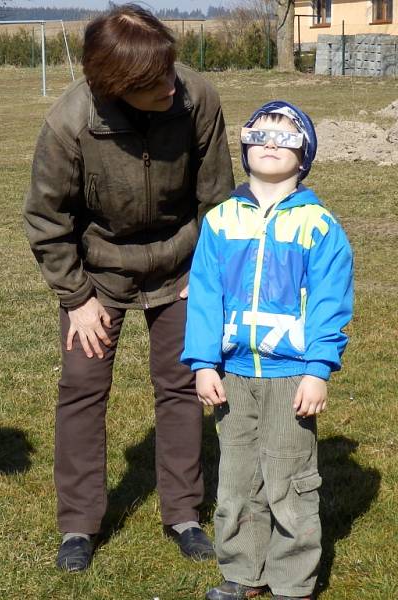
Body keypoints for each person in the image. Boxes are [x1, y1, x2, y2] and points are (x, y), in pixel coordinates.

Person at [22, 4, 235, 571]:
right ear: (116, 87)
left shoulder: (197, 98)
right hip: (99, 273)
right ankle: (78, 524)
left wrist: (209, 280)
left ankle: (184, 512)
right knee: (83, 388)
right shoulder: (69, 123)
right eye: (154, 82)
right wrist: (76, 298)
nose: (171, 86)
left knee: (184, 383)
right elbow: (48, 220)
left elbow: (218, 199)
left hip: (183, 266)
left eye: (171, 70)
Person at [182, 102, 353, 600]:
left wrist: (318, 369)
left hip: (290, 375)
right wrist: (202, 363)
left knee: (289, 477)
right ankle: (242, 572)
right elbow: (205, 297)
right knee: (236, 478)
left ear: (305, 155)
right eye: (261, 134)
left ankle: (291, 581)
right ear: (245, 147)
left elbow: (329, 303)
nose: (272, 143)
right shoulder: (219, 222)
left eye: (286, 136)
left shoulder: (318, 226)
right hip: (232, 373)